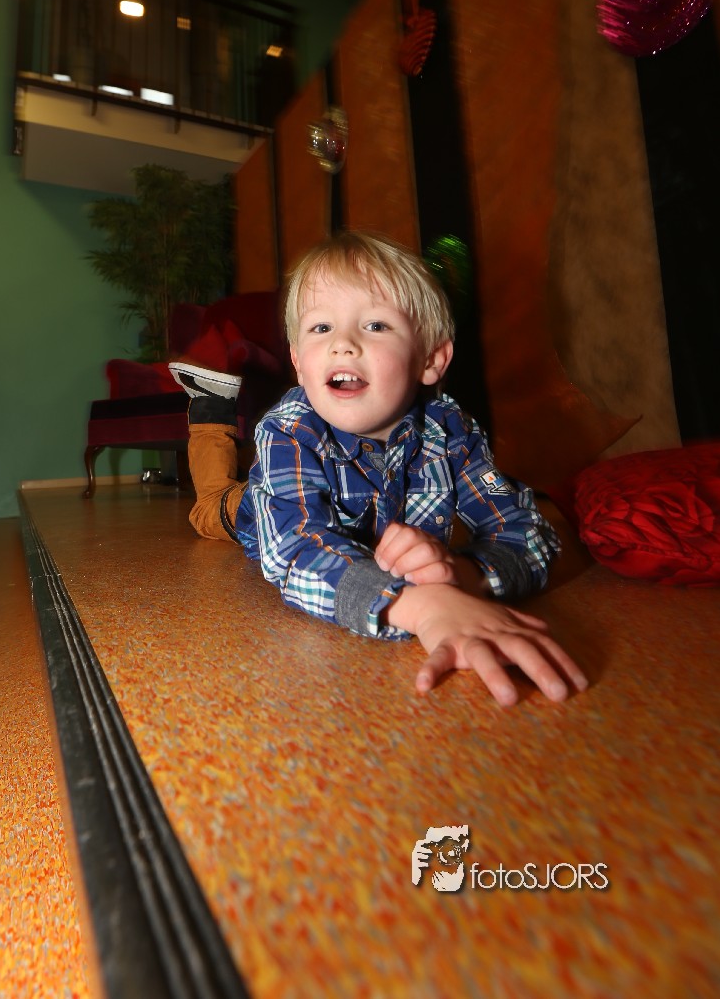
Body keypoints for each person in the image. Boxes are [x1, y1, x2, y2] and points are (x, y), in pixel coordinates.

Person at [169, 231, 587, 708]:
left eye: (375, 325)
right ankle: (210, 411)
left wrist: (461, 576)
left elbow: (528, 533)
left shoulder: (452, 429)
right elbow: (295, 549)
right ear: (299, 364)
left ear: (430, 359)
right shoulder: (287, 429)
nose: (343, 344)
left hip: (347, 518)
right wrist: (416, 604)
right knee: (210, 506)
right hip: (258, 510)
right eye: (321, 327)